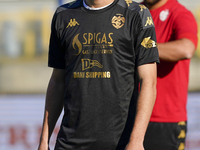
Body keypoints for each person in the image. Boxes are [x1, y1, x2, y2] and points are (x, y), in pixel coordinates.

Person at [38, 0, 160, 150]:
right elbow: (57, 81)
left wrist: (136, 140)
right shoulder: (63, 15)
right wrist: (44, 140)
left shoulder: (136, 13)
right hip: (70, 142)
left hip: (120, 143)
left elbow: (149, 81)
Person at [142, 0, 198, 150]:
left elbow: (186, 48)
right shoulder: (133, 13)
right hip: (131, 117)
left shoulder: (179, 13)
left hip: (166, 121)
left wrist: (142, 48)